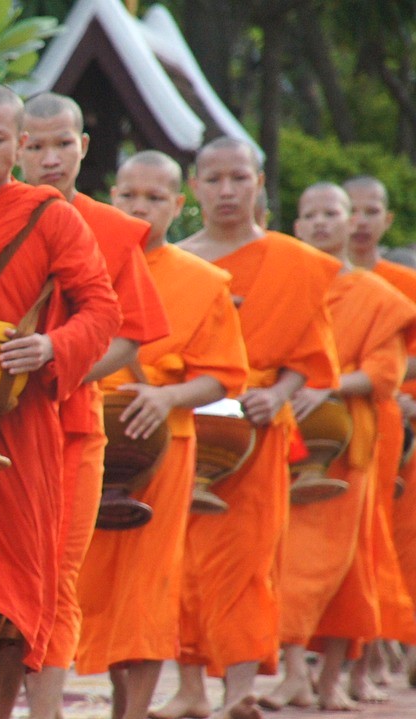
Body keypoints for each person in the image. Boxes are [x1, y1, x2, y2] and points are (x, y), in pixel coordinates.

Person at [0, 83, 121, 719]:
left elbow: (102, 307)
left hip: (21, 422)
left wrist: (50, 346)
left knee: (16, 582)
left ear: (20, 145)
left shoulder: (50, 214)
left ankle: (2, 711)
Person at [151, 138, 340, 719]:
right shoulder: (175, 261)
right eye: (214, 179)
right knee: (179, 562)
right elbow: (153, 352)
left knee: (250, 563)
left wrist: (278, 396)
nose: (227, 191)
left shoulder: (295, 262)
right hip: (185, 427)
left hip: (257, 432)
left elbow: (311, 359)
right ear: (195, 187)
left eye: (239, 178)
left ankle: (238, 691)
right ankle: (187, 691)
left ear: (260, 182)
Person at [74, 151, 248, 719]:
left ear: (179, 204)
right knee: (82, 582)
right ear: (111, 199)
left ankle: (132, 711)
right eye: (129, 196)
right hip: (80, 434)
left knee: (146, 587)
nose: (140, 209)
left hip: (162, 449)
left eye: (155, 198)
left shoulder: (202, 281)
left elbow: (225, 374)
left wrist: (167, 396)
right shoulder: (82, 261)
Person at [18, 93, 171, 719]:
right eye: (35, 145)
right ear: (14, 148)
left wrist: (59, 369)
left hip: (69, 422)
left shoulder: (108, 229)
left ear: (83, 147)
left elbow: (131, 332)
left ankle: (46, 710)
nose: (50, 157)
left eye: (63, 144)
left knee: (56, 574)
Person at [262, 183, 416, 712]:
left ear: (352, 223)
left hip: (351, 444)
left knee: (338, 563)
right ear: (297, 227)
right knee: (290, 561)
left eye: (333, 213)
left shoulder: (382, 299)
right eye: (311, 215)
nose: (322, 223)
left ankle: (326, 677)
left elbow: (384, 375)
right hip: (290, 439)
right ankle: (297, 675)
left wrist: (323, 385)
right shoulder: (287, 287)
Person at [344, 175, 416, 691]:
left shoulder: (403, 282)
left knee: (400, 538)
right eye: (354, 210)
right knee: (363, 537)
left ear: (387, 220)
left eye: (373, 211)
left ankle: (402, 640)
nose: (362, 221)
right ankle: (361, 652)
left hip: (398, 421)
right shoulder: (321, 277)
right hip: (333, 419)